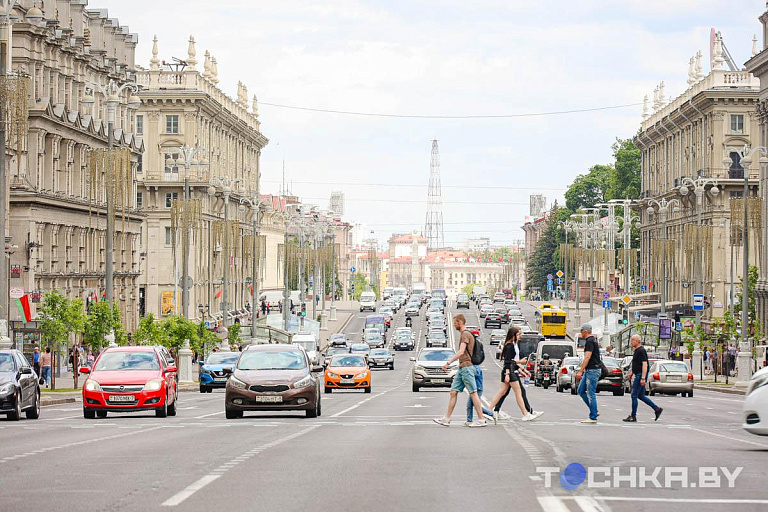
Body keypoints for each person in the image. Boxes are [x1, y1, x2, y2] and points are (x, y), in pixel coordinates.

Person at [433, 314, 487, 427]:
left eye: (455, 323)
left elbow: (461, 351)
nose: (454, 325)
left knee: (473, 393)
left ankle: (481, 419)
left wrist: (448, 363)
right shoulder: (465, 334)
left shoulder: (465, 334)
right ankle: (446, 418)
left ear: (460, 322)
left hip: (467, 367)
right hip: (462, 368)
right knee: (453, 392)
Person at [488, 325, 539, 422]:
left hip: (508, 371)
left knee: (502, 392)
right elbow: (508, 361)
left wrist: (520, 369)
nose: (520, 336)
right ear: (513, 335)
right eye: (518, 334)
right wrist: (509, 372)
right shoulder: (511, 345)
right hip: (510, 372)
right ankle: (525, 414)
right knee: (518, 392)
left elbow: (509, 361)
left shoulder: (509, 344)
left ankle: (490, 410)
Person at [623, 335, 663, 422]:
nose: (631, 342)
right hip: (638, 374)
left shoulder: (641, 351)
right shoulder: (637, 350)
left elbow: (644, 364)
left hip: (640, 375)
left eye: (632, 340)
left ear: (637, 341)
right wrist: (632, 372)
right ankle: (657, 409)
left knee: (634, 395)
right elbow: (636, 364)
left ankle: (633, 416)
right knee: (641, 396)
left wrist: (643, 378)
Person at [576, 323, 601, 424]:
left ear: (585, 331)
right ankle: (594, 410)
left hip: (592, 370)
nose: (581, 332)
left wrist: (580, 371)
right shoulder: (592, 340)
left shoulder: (590, 341)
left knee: (591, 393)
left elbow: (587, 357)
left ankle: (593, 416)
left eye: (581, 330)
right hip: (590, 370)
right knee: (581, 390)